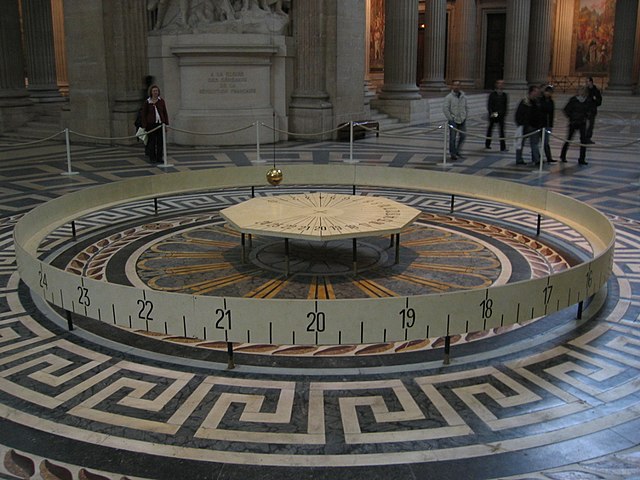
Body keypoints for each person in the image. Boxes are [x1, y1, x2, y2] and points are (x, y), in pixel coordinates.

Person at [560, 86, 590, 165]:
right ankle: (563, 156)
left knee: (583, 141)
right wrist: (571, 117)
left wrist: (586, 116)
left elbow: (589, 110)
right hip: (573, 122)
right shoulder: (573, 100)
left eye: (583, 91)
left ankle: (582, 158)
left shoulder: (587, 101)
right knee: (569, 139)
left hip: (582, 123)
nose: (582, 92)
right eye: (581, 90)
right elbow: (566, 109)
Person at [514, 84, 543, 165]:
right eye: (536, 91)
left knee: (534, 144)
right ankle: (519, 159)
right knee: (521, 143)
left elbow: (539, 114)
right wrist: (521, 124)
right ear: (531, 92)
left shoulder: (537, 102)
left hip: (535, 126)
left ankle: (536, 159)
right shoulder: (524, 102)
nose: (538, 93)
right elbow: (518, 114)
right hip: (525, 127)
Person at [141, 84, 170, 164]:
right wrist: (144, 125)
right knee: (152, 142)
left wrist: (166, 124)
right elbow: (143, 114)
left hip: (160, 124)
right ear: (151, 92)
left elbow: (165, 113)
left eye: (156, 91)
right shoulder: (147, 102)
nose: (155, 92)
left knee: (160, 142)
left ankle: (159, 157)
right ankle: (152, 157)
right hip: (151, 125)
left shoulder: (161, 101)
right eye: (154, 91)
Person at [443, 80, 467, 160]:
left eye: (458, 85)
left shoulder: (463, 96)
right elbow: (445, 108)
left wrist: (465, 115)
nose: (456, 87)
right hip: (453, 120)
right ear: (452, 86)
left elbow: (465, 107)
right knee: (452, 138)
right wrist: (450, 118)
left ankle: (457, 151)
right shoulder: (449, 97)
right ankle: (452, 153)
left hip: (462, 119)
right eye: (455, 85)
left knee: (463, 136)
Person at [485, 79, 508, 151]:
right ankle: (487, 144)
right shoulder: (492, 94)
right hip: (493, 115)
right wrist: (493, 114)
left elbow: (505, 106)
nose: (500, 85)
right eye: (499, 83)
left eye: (502, 83)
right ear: (496, 84)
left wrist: (503, 114)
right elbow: (490, 105)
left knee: (502, 131)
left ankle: (503, 147)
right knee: (490, 129)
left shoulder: (504, 95)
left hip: (501, 115)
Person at [539, 85, 557, 163]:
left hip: (547, 124)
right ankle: (537, 158)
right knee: (536, 142)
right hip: (540, 124)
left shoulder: (551, 102)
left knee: (546, 142)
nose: (548, 94)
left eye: (550, 92)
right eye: (547, 92)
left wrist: (551, 125)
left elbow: (552, 113)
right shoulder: (540, 100)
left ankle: (549, 157)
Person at [585, 76, 602, 143]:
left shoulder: (596, 90)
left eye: (587, 81)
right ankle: (584, 137)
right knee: (584, 124)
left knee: (591, 125)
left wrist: (595, 100)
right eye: (586, 82)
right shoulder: (585, 90)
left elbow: (599, 101)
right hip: (585, 109)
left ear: (591, 82)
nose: (586, 83)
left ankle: (588, 138)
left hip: (592, 110)